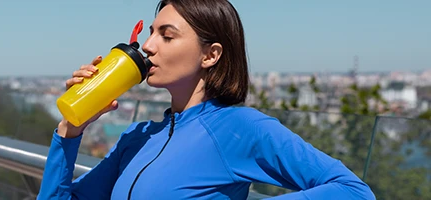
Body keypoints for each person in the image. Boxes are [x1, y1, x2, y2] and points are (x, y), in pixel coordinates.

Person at [37, 0, 375, 199]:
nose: (149, 46)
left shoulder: (238, 128)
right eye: (150, 33)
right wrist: (71, 129)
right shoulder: (135, 139)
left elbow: (353, 191)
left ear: (210, 55)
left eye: (166, 36)